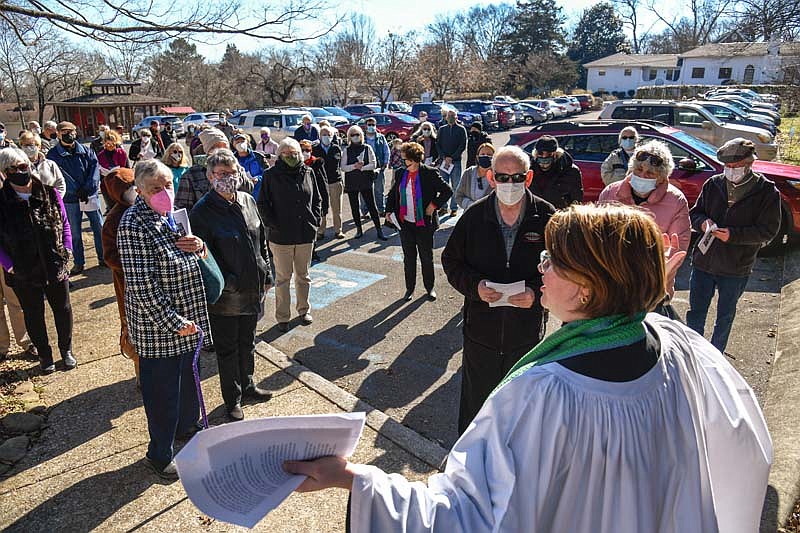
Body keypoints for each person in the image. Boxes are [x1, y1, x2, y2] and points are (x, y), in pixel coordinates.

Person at [285, 203, 772, 533]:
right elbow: (745, 442)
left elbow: (468, 516)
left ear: (588, 287)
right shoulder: (676, 346)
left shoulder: (544, 392)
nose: (540, 268)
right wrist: (642, 289)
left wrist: (357, 480)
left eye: (552, 260)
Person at [442, 145, 554, 433]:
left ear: (528, 178)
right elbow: (451, 260)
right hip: (481, 333)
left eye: (517, 177)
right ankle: (469, 464)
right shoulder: (474, 216)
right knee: (476, 409)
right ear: (491, 178)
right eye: (502, 178)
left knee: (520, 411)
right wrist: (474, 288)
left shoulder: (546, 216)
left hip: (525, 336)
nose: (509, 184)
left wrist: (536, 294)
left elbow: (562, 268)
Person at [117, 159, 212, 480]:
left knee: (187, 380)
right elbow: (143, 288)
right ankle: (158, 454)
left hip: (186, 321)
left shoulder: (169, 216)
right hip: (159, 329)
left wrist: (199, 247)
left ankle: (187, 426)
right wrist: (174, 322)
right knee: (163, 394)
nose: (164, 193)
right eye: (156, 188)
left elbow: (187, 253)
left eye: (168, 185)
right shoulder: (133, 225)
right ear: (140, 190)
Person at [190, 149, 274, 421]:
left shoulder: (248, 201)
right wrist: (228, 282)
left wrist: (266, 272)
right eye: (222, 174)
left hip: (253, 288)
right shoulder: (202, 212)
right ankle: (232, 398)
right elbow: (204, 258)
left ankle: (247, 384)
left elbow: (260, 238)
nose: (229, 178)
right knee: (227, 349)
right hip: (225, 297)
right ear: (210, 176)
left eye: (232, 172)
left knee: (248, 342)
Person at [686, 138, 781, 353]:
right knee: (696, 312)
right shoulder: (713, 183)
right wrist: (703, 223)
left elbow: (767, 230)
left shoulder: (766, 192)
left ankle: (716, 356)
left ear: (749, 164)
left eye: (736, 167)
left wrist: (733, 236)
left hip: (736, 266)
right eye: (727, 167)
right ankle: (693, 353)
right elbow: (695, 213)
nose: (731, 171)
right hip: (704, 261)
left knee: (725, 315)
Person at [0, 147, 75, 374]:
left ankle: (66, 350)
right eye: (11, 169)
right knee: (33, 314)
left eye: (22, 166)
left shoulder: (50, 193)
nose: (19, 172)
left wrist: (68, 250)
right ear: (4, 173)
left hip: (55, 264)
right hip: (22, 270)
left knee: (62, 309)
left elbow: (65, 224)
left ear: (29, 166)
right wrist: (9, 265)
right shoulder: (1, 203)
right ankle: (45, 355)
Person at [598, 139, 690, 317]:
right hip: (611, 283)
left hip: (650, 287)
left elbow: (678, 246)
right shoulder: (610, 192)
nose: (642, 175)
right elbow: (596, 234)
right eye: (639, 170)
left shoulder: (676, 200)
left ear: (662, 177)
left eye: (650, 173)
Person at [258, 138, 322, 333]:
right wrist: (272, 224)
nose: (292, 156)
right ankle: (283, 317)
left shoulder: (308, 172)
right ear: (279, 155)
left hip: (304, 233)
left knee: (303, 276)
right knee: (283, 278)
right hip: (281, 237)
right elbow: (262, 204)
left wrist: (315, 221)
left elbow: (317, 199)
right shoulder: (271, 175)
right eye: (286, 153)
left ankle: (304, 310)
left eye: (294, 152)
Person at [385, 142, 452, 301]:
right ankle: (410, 289)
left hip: (423, 223)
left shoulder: (429, 173)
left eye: (405, 160)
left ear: (415, 160)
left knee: (426, 257)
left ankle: (429, 288)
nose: (402, 163)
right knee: (409, 258)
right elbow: (393, 193)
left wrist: (433, 205)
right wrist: (388, 211)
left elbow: (447, 191)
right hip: (405, 223)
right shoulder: (401, 173)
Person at [46, 121, 105, 274]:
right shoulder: (52, 155)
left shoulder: (86, 150)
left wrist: (88, 189)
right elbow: (58, 177)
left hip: (90, 197)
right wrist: (73, 191)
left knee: (99, 228)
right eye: (64, 132)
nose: (69, 134)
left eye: (71, 131)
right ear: (58, 134)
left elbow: (94, 170)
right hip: (70, 200)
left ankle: (103, 257)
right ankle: (79, 262)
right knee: (75, 233)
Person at [100, 168, 140, 387]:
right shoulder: (113, 220)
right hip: (127, 284)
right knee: (132, 327)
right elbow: (110, 256)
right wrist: (134, 265)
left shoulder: (146, 207)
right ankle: (141, 372)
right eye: (128, 188)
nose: (134, 191)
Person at [175, 128, 253, 211]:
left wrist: (236, 171)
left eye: (225, 146)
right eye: (216, 147)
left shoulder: (237, 168)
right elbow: (182, 208)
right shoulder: (191, 175)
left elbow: (248, 190)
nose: (222, 151)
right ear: (207, 151)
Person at [341, 125, 386, 241]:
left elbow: (373, 164)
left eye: (357, 134)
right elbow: (343, 167)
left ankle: (379, 230)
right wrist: (354, 166)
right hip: (352, 182)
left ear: (361, 135)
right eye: (352, 135)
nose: (355, 137)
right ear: (349, 137)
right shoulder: (346, 150)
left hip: (365, 181)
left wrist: (362, 167)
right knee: (354, 207)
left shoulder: (367, 148)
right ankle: (359, 229)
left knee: (372, 206)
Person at [529, 135, 583, 209]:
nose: (544, 157)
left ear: (556, 154)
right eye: (540, 153)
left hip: (559, 216)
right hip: (535, 216)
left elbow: (576, 201)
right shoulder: (529, 170)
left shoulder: (571, 171)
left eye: (549, 154)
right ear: (535, 154)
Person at [313, 126, 345, 239]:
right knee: (322, 208)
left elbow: (340, 164)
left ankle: (338, 230)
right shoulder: (315, 149)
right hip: (321, 183)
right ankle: (321, 231)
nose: (327, 137)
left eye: (329, 135)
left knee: (337, 208)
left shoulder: (336, 148)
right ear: (320, 136)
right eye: (324, 134)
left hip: (335, 182)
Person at [436, 110, 467, 217]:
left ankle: (454, 208)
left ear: (456, 117)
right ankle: (443, 207)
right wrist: (444, 157)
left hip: (456, 162)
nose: (451, 118)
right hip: (444, 162)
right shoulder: (442, 129)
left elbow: (462, 145)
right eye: (449, 116)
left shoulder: (461, 129)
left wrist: (452, 157)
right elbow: (438, 144)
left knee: (456, 185)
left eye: (453, 116)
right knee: (443, 185)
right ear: (446, 117)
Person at [18, 131, 66, 198]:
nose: (28, 148)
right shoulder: (18, 167)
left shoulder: (50, 164)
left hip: (52, 205)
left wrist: (56, 200)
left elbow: (60, 183)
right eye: (25, 145)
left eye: (31, 145)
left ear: (39, 146)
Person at [359, 116, 390, 217]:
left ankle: (381, 210)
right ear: (365, 126)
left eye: (373, 124)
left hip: (378, 167)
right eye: (369, 124)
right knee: (364, 191)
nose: (371, 126)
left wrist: (385, 162)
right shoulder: (361, 138)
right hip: (365, 168)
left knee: (379, 190)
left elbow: (386, 150)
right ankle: (364, 211)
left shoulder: (381, 137)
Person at [454, 143, 494, 210]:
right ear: (477, 158)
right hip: (469, 216)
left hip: (489, 218)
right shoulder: (469, 173)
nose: (485, 156)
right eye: (482, 154)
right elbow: (458, 196)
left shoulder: (497, 176)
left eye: (489, 155)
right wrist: (472, 206)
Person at [233, 132, 268, 199]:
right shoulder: (232, 159)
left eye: (243, 141)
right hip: (241, 196)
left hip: (259, 195)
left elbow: (267, 173)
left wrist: (258, 178)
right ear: (234, 145)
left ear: (248, 142)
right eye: (237, 142)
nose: (240, 143)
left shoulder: (258, 157)